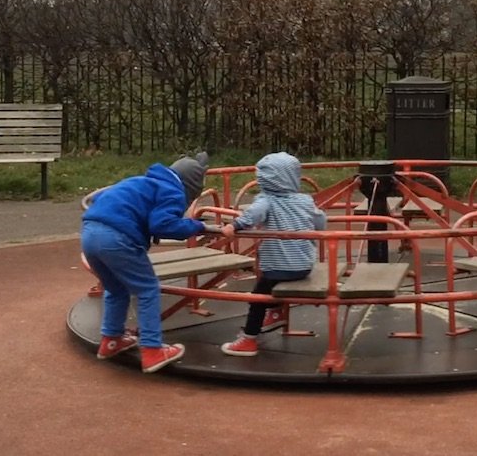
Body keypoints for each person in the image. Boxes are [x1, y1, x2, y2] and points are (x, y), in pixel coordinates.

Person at [81, 152, 210, 373]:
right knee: (147, 289)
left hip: (89, 234)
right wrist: (198, 227)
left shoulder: (139, 181)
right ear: (192, 186)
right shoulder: (172, 191)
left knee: (115, 288)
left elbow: (101, 200)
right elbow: (164, 224)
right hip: (117, 238)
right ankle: (152, 350)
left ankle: (111, 339)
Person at [220, 152, 327, 357]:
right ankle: (276, 311)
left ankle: (249, 339)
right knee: (271, 286)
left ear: (264, 179)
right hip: (303, 266)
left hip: (277, 268)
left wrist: (234, 226)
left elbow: (252, 216)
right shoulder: (305, 200)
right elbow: (320, 221)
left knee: (258, 298)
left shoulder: (267, 201)